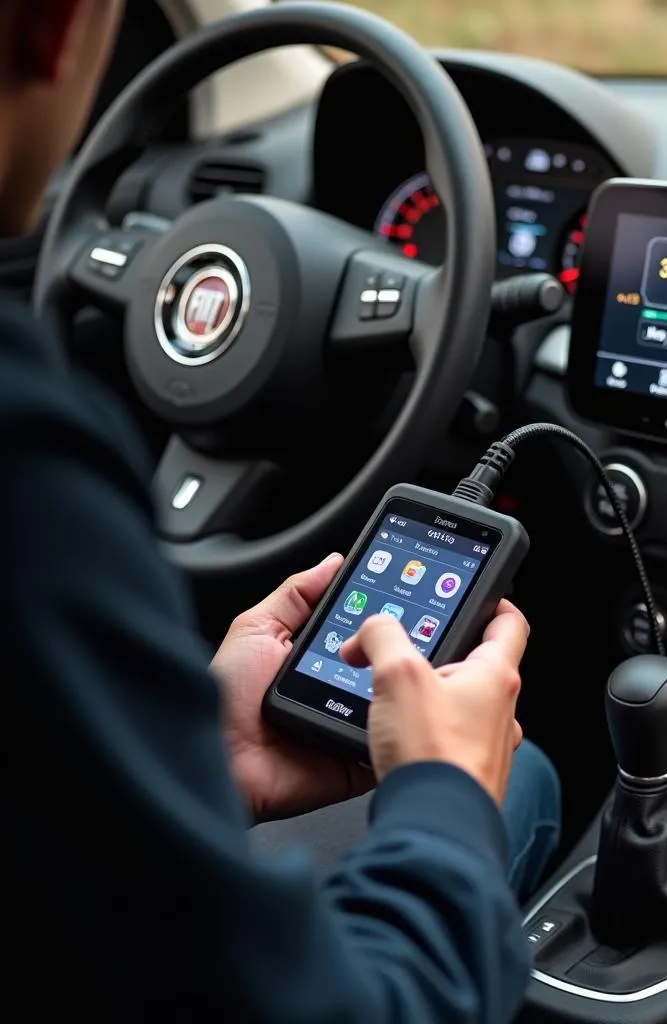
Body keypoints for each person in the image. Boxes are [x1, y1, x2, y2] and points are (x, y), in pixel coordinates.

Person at [2, 2, 560, 1021]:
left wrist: (197, 760)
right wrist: (442, 789)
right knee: (522, 773)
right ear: (57, 30)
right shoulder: (28, 462)